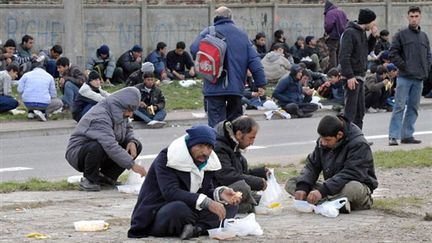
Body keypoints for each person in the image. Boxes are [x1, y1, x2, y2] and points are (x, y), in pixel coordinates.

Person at [128, 124, 241, 239]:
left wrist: (220, 193)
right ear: (190, 144)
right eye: (200, 146)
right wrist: (207, 203)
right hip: (161, 211)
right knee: (179, 209)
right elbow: (171, 192)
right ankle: (200, 227)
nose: (205, 152)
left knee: (229, 206)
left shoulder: (206, 161)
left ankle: (196, 229)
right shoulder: (167, 157)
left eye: (209, 147)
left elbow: (205, 190)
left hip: (191, 209)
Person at [190, 6, 266, 127]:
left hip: (213, 84)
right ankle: (232, 144)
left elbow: (194, 49)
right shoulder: (242, 35)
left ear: (215, 18)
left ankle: (218, 144)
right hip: (235, 86)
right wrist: (260, 83)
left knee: (216, 124)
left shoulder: (208, 32)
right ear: (231, 17)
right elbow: (254, 60)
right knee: (236, 124)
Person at [285, 115, 378, 213]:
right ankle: (334, 204)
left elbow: (352, 173)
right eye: (322, 138)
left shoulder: (358, 144)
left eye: (327, 140)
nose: (323, 143)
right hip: (332, 188)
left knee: (353, 187)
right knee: (293, 183)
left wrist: (322, 191)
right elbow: (312, 165)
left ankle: (324, 203)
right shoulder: (323, 141)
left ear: (339, 135)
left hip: (352, 186)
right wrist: (303, 187)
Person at [65, 87, 147, 191]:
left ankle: (107, 178)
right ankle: (90, 179)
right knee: (97, 146)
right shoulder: (100, 116)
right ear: (121, 106)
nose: (130, 115)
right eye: (130, 110)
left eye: (133, 111)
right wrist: (132, 165)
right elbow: (110, 146)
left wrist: (131, 141)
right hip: (79, 153)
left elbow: (127, 128)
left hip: (103, 150)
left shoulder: (120, 112)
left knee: (136, 145)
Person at [388, 6, 431, 146]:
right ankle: (393, 136)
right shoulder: (401, 35)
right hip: (404, 77)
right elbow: (393, 53)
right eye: (411, 16)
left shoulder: (424, 36)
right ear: (407, 17)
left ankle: (407, 135)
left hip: (419, 78)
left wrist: (427, 68)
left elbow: (428, 55)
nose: (414, 18)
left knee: (413, 107)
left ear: (420, 17)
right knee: (399, 106)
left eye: (416, 16)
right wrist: (405, 66)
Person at [214, 116, 268, 213]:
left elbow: (239, 172)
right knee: (244, 188)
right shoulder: (220, 147)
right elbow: (227, 176)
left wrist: (260, 173)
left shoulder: (233, 144)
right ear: (239, 134)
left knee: (258, 198)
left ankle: (245, 205)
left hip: (229, 186)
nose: (252, 143)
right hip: (217, 189)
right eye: (251, 138)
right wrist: (257, 182)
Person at [339, 8, 378, 130]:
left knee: (360, 112)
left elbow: (365, 51)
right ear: (367, 21)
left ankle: (358, 139)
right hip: (352, 78)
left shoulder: (361, 32)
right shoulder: (350, 33)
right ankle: (347, 141)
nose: (374, 24)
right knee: (350, 112)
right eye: (373, 22)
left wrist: (373, 37)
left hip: (360, 77)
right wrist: (349, 76)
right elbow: (344, 57)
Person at [323, 0, 348, 71]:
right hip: (342, 36)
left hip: (333, 36)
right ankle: (340, 70)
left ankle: (333, 71)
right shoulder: (341, 12)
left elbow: (328, 25)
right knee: (339, 54)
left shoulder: (330, 13)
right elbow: (347, 22)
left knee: (332, 54)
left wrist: (327, 32)